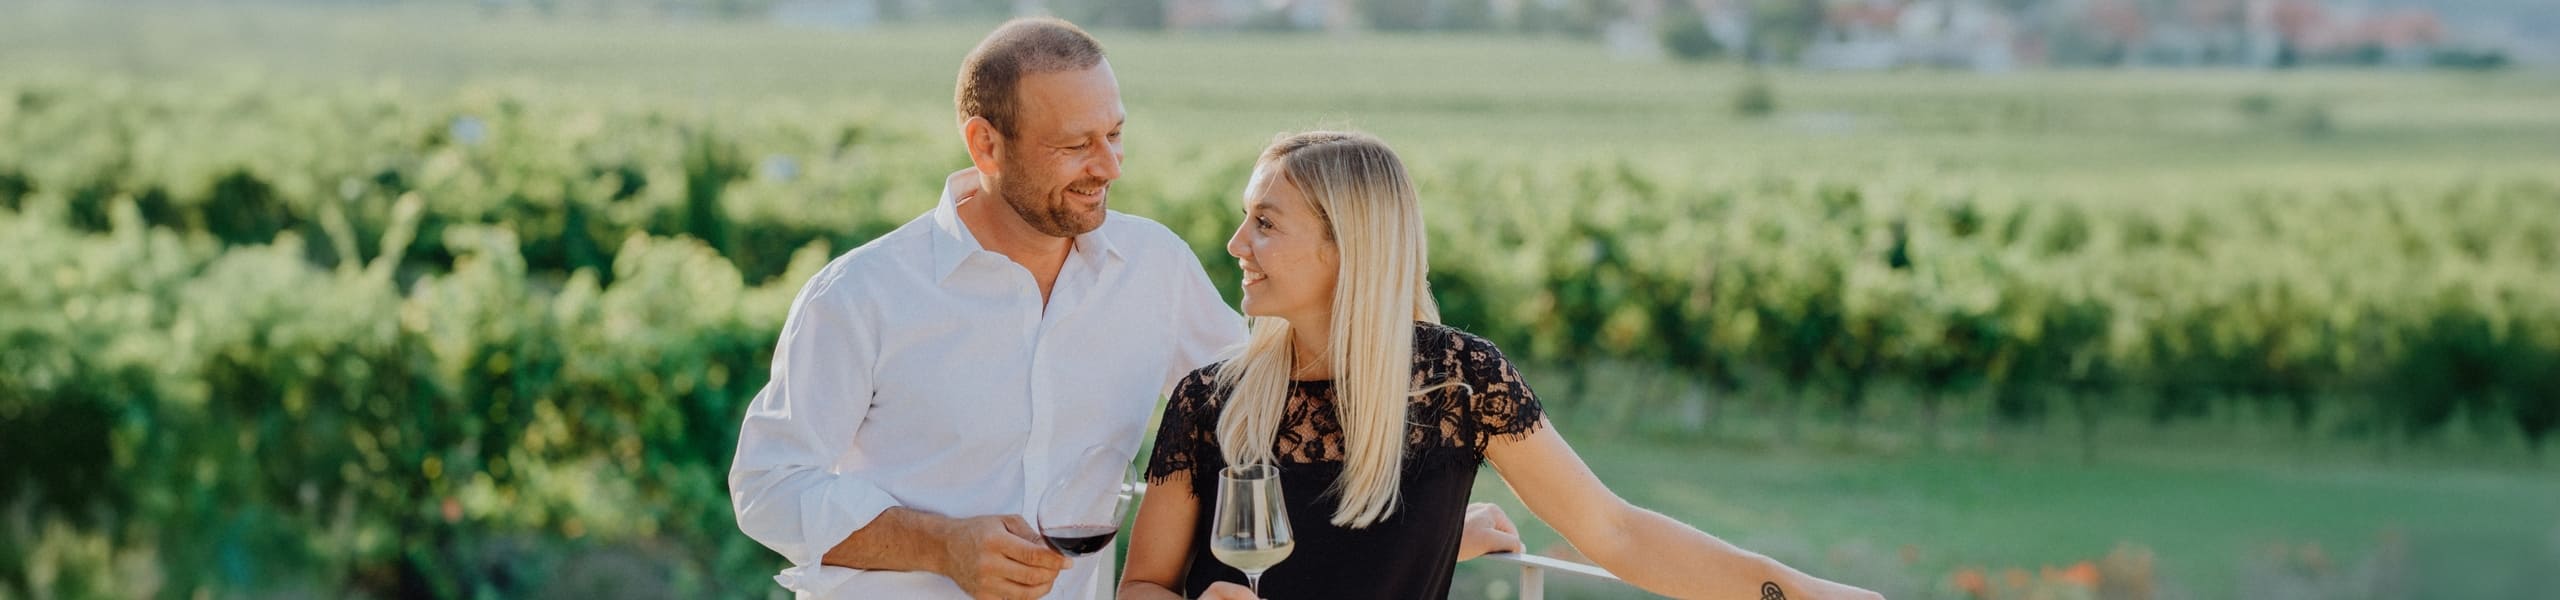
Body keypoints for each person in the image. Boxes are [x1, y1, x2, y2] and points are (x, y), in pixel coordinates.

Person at [728, 20, 1520, 600]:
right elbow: (767, 485)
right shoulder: (863, 294)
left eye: (1114, 135)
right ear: (985, 143)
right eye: (1075, 146)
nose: (1107, 166)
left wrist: (1427, 530)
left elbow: (1265, 422)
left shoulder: (1155, 267)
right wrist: (940, 545)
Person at [1116, 131, 1887, 600]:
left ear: (1346, 245)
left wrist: (1795, 590)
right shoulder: (1210, 400)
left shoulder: (1460, 382)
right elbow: (1143, 584)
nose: (1236, 243)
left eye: (1264, 222)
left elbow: (1615, 531)